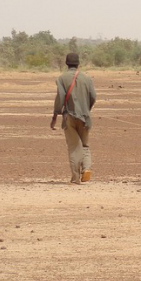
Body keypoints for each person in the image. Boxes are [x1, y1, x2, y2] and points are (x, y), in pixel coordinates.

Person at [51, 53, 97, 184]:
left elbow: (60, 97)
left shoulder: (61, 79)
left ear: (66, 64)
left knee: (74, 147)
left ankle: (76, 177)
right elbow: (93, 96)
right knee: (85, 145)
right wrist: (86, 109)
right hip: (85, 117)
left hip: (69, 117)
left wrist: (55, 115)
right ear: (78, 64)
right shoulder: (87, 79)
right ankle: (87, 168)